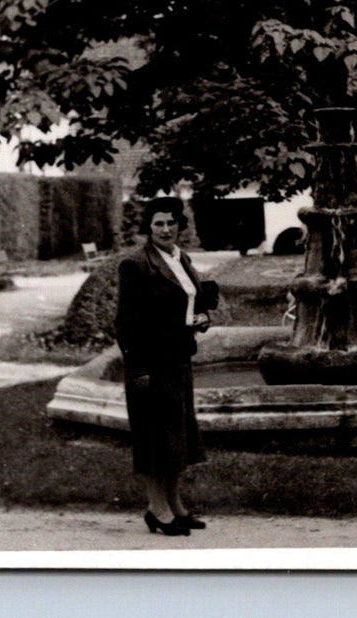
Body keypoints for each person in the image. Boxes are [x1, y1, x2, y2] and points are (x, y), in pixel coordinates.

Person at [114, 197, 214, 536]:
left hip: (179, 358)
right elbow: (125, 324)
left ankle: (176, 506)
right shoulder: (136, 264)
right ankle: (156, 509)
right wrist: (138, 369)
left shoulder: (181, 259)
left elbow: (190, 303)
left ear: (180, 226)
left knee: (177, 436)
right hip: (151, 364)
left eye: (172, 223)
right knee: (155, 437)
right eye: (158, 223)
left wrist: (202, 318)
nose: (166, 229)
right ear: (148, 227)